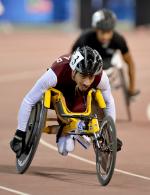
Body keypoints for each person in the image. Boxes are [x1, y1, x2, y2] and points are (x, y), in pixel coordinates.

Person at [10, 46, 122, 157]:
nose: (87, 82)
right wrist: (19, 134)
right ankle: (71, 128)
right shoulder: (55, 73)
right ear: (74, 72)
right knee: (64, 149)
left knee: (66, 148)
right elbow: (29, 100)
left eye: (91, 77)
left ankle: (78, 128)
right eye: (83, 76)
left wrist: (111, 133)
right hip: (59, 97)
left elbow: (108, 102)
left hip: (81, 99)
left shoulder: (101, 77)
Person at [71, 9, 139, 96]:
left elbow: (130, 63)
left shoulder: (118, 39)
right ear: (96, 29)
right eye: (102, 32)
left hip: (108, 63)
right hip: (89, 66)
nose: (105, 36)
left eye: (108, 32)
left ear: (113, 30)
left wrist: (132, 88)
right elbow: (72, 59)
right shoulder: (85, 38)